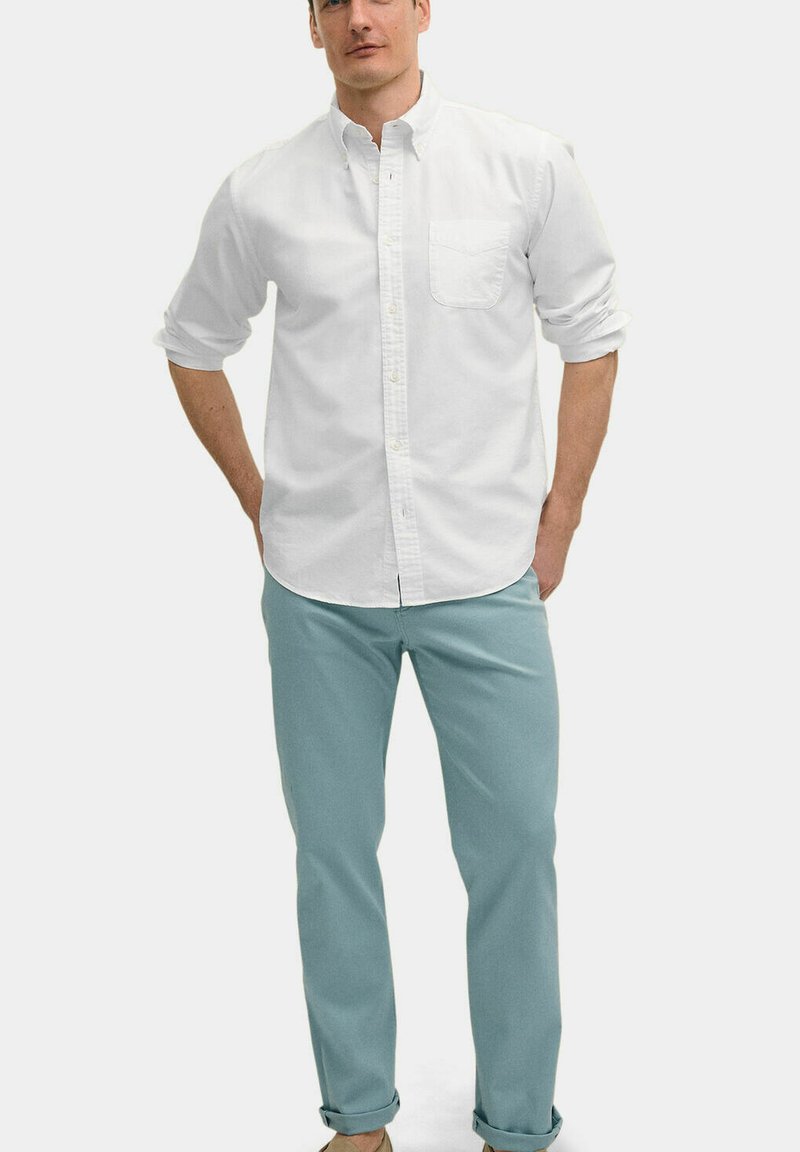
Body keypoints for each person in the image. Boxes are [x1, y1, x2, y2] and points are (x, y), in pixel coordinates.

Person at [153, 2, 631, 1150]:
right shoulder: (261, 192)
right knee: (332, 857)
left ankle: (516, 1124)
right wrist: (259, 500)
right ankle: (358, 1119)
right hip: (319, 588)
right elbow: (192, 342)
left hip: (484, 573)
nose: (360, 16)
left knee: (513, 851)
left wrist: (561, 515)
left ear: (422, 9)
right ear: (310, 25)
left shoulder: (524, 165)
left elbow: (591, 330)